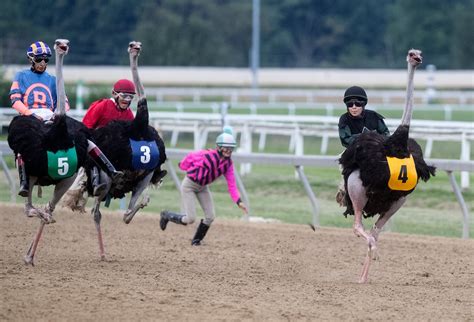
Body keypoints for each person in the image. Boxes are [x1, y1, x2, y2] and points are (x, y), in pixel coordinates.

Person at [9, 41, 120, 197]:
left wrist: (59, 113)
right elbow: (15, 100)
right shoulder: (21, 76)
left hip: (51, 114)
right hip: (29, 117)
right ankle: (24, 182)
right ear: (31, 59)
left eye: (46, 60)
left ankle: (110, 169)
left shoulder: (53, 79)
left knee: (82, 133)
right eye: (39, 59)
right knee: (22, 140)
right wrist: (29, 113)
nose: (42, 63)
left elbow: (64, 101)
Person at [159, 127, 248, 246]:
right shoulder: (206, 155)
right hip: (189, 185)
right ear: (219, 147)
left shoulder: (228, 164)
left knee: (210, 217)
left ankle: (196, 241)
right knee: (190, 219)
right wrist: (183, 166)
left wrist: (238, 201)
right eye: (226, 147)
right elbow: (190, 157)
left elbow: (232, 185)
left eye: (231, 148)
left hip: (203, 187)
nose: (229, 150)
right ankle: (166, 215)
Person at [336, 86, 390, 205]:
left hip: (376, 150)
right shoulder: (344, 119)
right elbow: (345, 140)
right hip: (354, 152)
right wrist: (366, 139)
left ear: (363, 104)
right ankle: (345, 190)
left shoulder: (374, 117)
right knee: (343, 163)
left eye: (357, 104)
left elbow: (386, 135)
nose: (354, 107)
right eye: (350, 104)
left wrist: (375, 143)